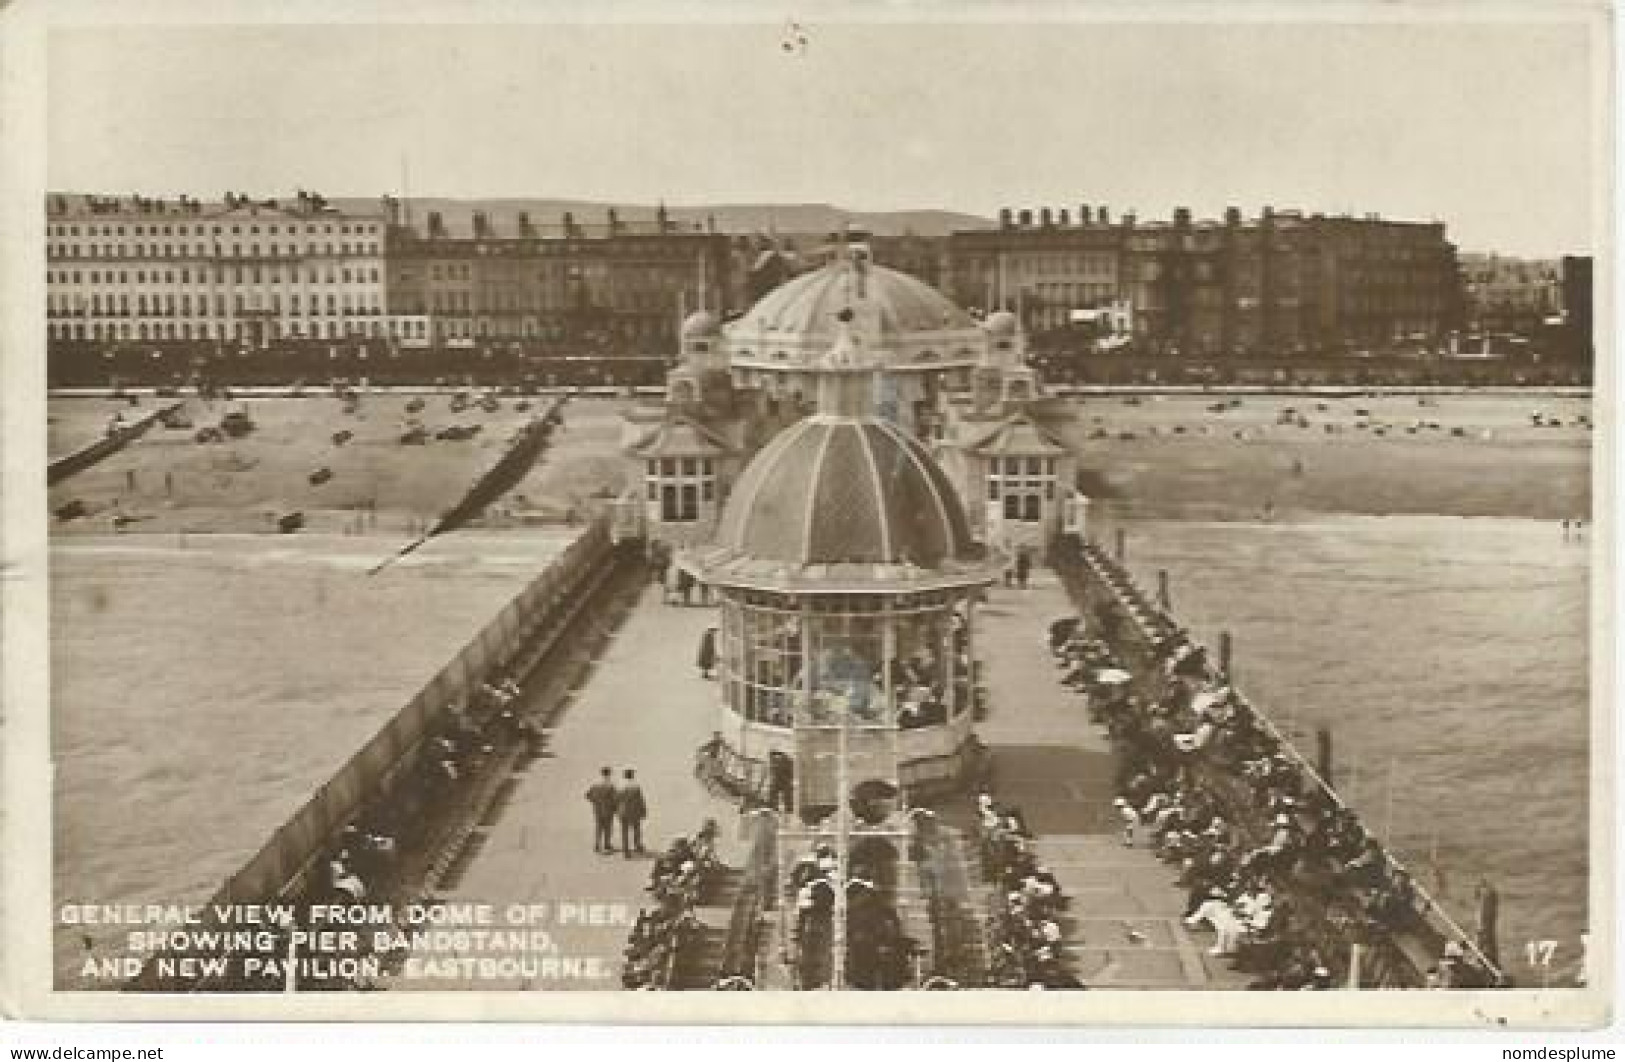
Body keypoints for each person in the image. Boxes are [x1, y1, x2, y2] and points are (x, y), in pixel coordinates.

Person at [585, 768, 619, 854]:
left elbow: (588, 795)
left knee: (598, 827)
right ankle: (607, 844)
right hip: (608, 810)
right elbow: (615, 798)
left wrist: (595, 802)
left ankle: (597, 844)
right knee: (608, 827)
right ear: (609, 774)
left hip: (597, 809)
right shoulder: (611, 785)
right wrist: (615, 808)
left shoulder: (595, 784)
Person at [618, 769, 648, 857]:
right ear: (632, 776)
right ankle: (637, 845)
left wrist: (617, 810)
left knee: (624, 831)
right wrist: (643, 810)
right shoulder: (636, 786)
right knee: (636, 829)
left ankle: (625, 850)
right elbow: (640, 800)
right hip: (634, 811)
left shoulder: (621, 786)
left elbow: (617, 799)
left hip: (623, 811)